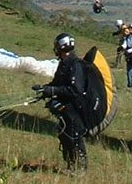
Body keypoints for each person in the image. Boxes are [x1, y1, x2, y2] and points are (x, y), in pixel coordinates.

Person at [32, 33, 90, 172]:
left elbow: (75, 90)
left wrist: (52, 91)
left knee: (74, 136)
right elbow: (57, 83)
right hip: (65, 108)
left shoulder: (75, 65)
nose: (55, 49)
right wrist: (44, 89)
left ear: (62, 47)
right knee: (64, 136)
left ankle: (80, 168)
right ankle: (71, 165)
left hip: (75, 107)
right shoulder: (64, 64)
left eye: (57, 46)